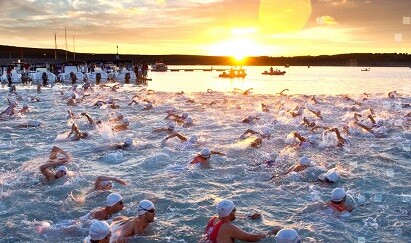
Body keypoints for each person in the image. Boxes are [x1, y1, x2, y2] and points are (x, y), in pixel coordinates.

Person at [204, 199, 281, 243]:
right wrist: (271, 232)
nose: (236, 212)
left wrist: (250, 217)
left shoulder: (213, 219)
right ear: (230, 213)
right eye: (235, 210)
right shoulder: (228, 228)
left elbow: (230, 217)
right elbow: (252, 238)